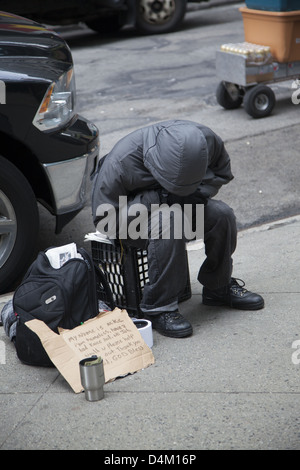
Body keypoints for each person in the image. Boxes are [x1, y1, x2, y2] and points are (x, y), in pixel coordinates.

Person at [92, 120, 264, 338]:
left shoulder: (205, 140)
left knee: (222, 214)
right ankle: (159, 307)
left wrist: (194, 194)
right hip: (134, 223)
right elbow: (105, 220)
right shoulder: (121, 162)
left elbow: (221, 173)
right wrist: (157, 197)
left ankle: (218, 287)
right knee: (169, 218)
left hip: (181, 205)